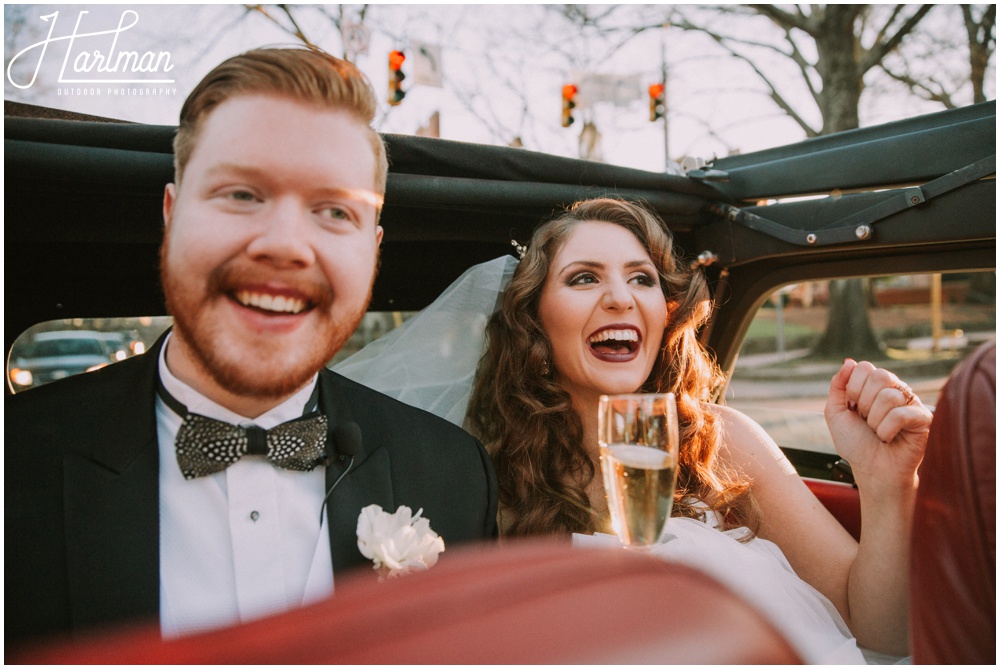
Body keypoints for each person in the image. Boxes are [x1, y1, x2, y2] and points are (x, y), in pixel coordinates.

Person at [5, 46, 497, 646]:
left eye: (335, 210)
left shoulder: (454, 474)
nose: (285, 245)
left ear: (374, 247)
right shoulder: (16, 463)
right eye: (241, 194)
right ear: (171, 214)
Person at [333, 197, 931, 663]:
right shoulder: (480, 472)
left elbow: (879, 630)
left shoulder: (722, 441)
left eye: (641, 278)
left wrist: (886, 486)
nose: (621, 297)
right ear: (534, 319)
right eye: (584, 278)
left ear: (664, 311)